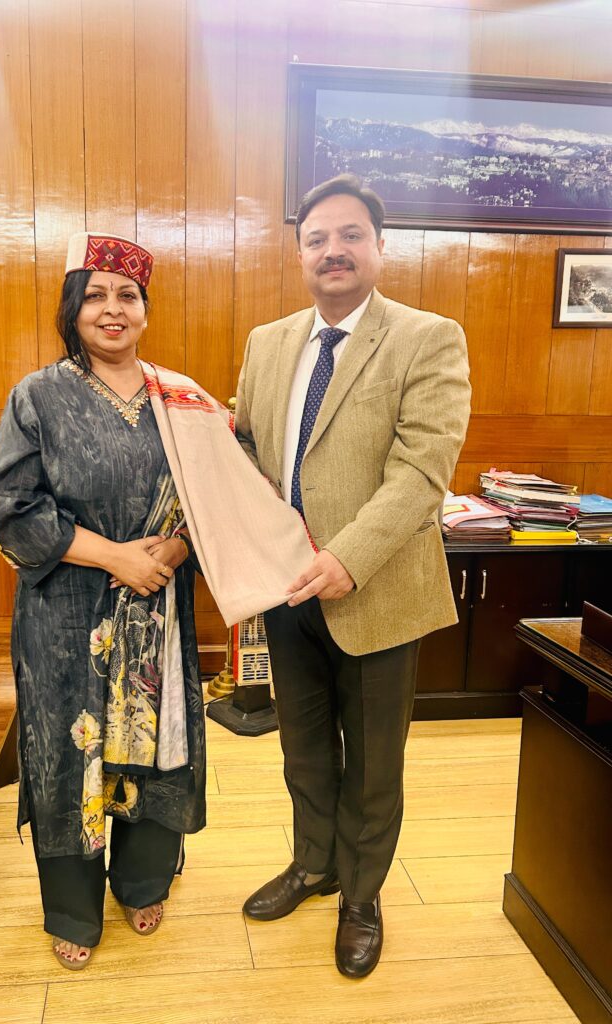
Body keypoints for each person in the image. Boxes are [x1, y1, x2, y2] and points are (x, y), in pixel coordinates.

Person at [236, 174, 471, 978]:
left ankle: (362, 895)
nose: (331, 251)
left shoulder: (428, 337)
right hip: (287, 590)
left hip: (378, 591)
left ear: (378, 246)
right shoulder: (268, 342)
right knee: (302, 748)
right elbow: (248, 444)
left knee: (373, 764)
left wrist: (348, 559)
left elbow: (422, 471)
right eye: (316, 239)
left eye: (349, 236)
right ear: (299, 252)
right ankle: (315, 865)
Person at [0, 233, 206, 970]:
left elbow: (219, 492)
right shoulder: (38, 396)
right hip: (65, 614)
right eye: (96, 296)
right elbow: (11, 505)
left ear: (145, 309)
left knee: (155, 743)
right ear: (72, 310)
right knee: (65, 752)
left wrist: (173, 551)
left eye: (128, 296)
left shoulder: (181, 397)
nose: (113, 310)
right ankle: (73, 909)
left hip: (158, 610)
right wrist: (116, 557)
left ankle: (143, 880)